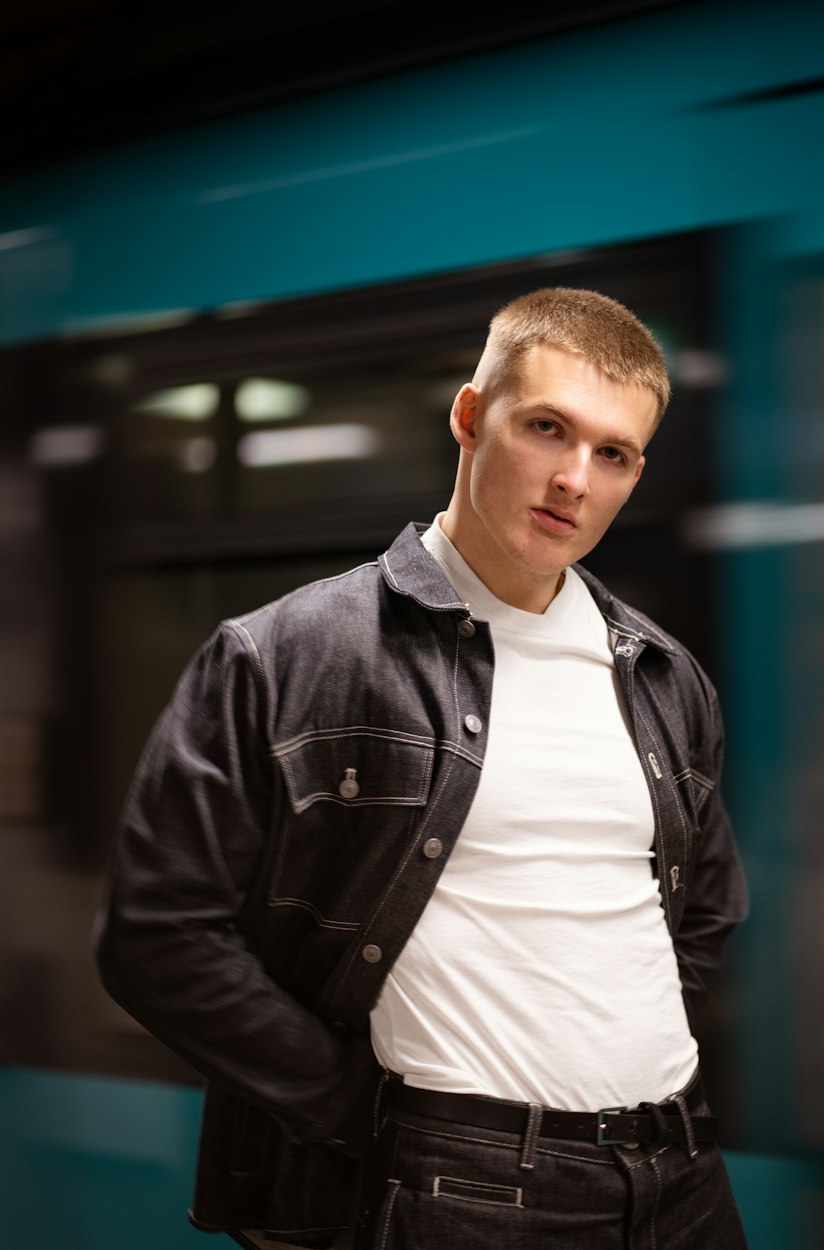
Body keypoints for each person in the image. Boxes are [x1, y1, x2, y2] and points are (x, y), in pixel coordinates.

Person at [95, 287, 749, 1250]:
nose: (575, 477)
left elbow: (703, 914)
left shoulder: (661, 675)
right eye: (546, 428)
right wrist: (351, 1108)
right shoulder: (286, 654)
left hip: (681, 1185)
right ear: (471, 416)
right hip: (459, 1192)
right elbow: (156, 935)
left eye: (612, 453)